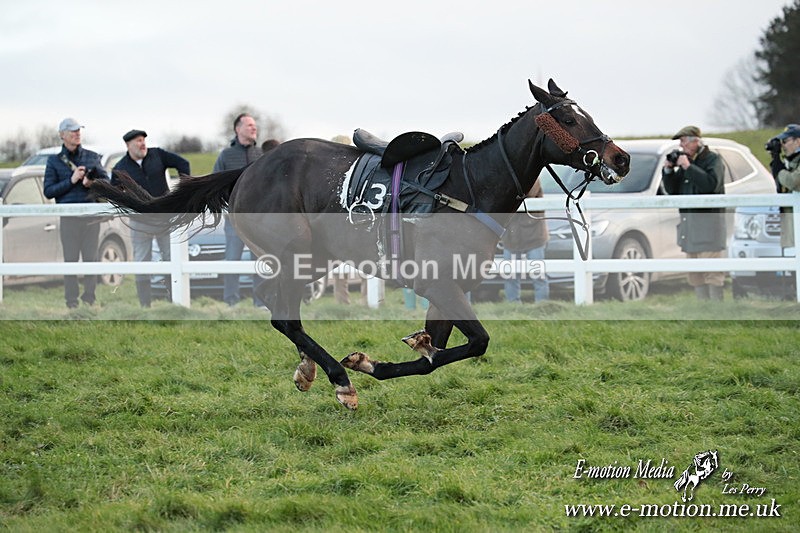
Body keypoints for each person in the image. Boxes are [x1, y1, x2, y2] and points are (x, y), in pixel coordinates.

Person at [112, 129, 190, 307]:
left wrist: (183, 188)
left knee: (170, 258)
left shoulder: (158, 155)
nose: (142, 144)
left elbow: (183, 163)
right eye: (138, 141)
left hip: (164, 218)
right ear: (128, 145)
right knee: (141, 261)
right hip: (140, 222)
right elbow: (114, 191)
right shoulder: (120, 167)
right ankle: (145, 305)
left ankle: (174, 302)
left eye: (143, 140)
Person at [43, 118, 109, 309]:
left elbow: (107, 184)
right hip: (69, 218)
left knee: (91, 259)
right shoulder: (54, 161)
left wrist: (92, 183)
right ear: (62, 135)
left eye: (79, 130)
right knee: (70, 260)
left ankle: (89, 299)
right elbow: (49, 191)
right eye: (72, 131)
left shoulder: (92, 157)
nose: (77, 133)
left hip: (90, 218)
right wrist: (71, 180)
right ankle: (71, 303)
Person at [662, 126, 726, 300]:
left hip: (709, 229)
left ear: (695, 141)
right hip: (689, 228)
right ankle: (703, 311)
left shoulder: (713, 159)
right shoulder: (686, 162)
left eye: (683, 141)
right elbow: (672, 191)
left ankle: (717, 312)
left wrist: (688, 167)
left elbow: (711, 185)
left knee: (712, 274)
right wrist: (668, 171)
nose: (681, 146)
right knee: (695, 275)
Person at [213, 114, 263, 306]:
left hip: (259, 222)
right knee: (232, 260)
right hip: (234, 220)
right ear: (238, 129)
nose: (254, 128)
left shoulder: (261, 155)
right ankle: (231, 303)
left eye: (254, 125)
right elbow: (217, 183)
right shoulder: (225, 155)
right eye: (249, 125)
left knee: (259, 261)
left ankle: (259, 303)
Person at [501, 180, 549, 303]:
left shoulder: (534, 178)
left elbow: (527, 194)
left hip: (534, 235)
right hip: (511, 236)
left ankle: (542, 305)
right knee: (510, 274)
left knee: (538, 274)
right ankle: (513, 305)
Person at [768, 124, 800, 249]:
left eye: (785, 141)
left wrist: (779, 171)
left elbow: (795, 181)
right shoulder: (791, 162)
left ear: (798, 141)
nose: (783, 145)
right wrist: (776, 160)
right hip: (791, 229)